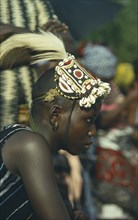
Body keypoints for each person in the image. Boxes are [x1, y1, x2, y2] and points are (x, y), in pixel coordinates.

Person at [0, 32, 111, 220]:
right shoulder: (30, 146)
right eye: (88, 120)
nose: (92, 131)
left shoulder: (29, 149)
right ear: (56, 115)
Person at [80, 43, 138, 219]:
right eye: (104, 78)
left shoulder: (108, 90)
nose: (108, 83)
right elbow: (102, 121)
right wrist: (128, 101)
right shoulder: (85, 92)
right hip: (97, 159)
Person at [0, 0, 72, 130]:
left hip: (32, 108)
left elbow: (64, 45)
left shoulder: (37, 3)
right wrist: (42, 38)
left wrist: (12, 32)